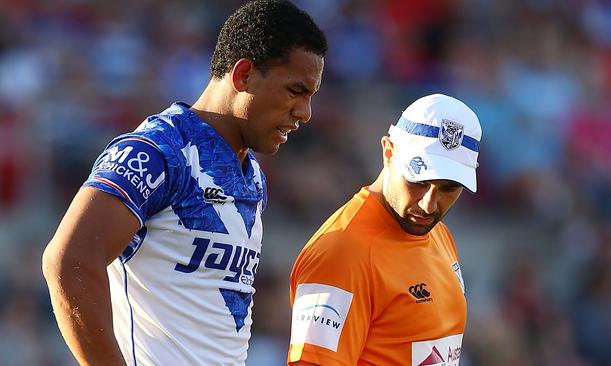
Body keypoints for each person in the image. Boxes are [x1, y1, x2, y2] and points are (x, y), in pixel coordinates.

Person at [41, 1, 327, 364]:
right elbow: (69, 261)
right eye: (295, 91)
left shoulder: (251, 173)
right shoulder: (157, 151)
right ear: (243, 76)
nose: (305, 113)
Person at [287, 94, 482, 365]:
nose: (429, 204)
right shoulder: (342, 253)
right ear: (388, 152)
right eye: (418, 180)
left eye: (448, 188)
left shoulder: (437, 233)